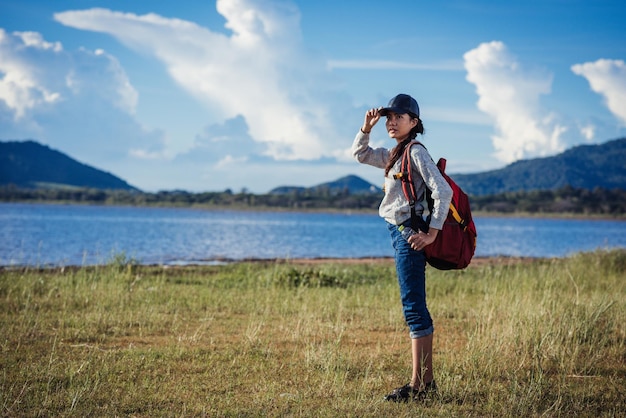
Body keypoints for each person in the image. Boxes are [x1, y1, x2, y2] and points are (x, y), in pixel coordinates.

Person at [352, 93, 453, 402]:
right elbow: (359, 154)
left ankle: (421, 387)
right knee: (413, 307)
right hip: (399, 233)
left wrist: (433, 233)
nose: (392, 121)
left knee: (413, 308)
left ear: (414, 122)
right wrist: (366, 127)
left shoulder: (416, 151)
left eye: (399, 117)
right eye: (388, 118)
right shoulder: (395, 153)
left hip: (410, 235)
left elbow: (443, 190)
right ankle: (423, 385)